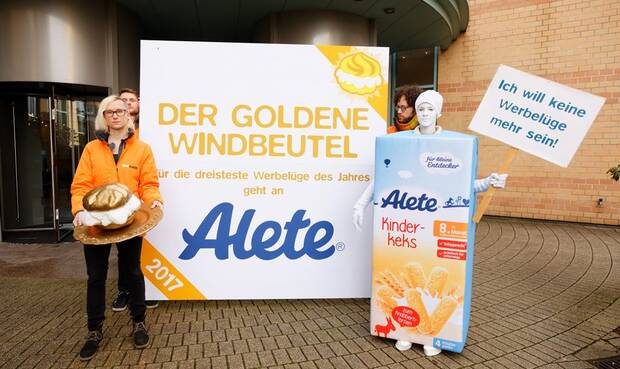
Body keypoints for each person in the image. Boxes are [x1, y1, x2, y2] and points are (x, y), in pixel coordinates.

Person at [355, 90, 507, 356]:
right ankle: (402, 331)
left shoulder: (454, 145)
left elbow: (465, 185)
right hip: (402, 229)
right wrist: (361, 204)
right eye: (420, 109)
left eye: (429, 109)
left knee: (432, 284)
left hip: (434, 229)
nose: (425, 113)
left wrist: (488, 182)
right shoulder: (398, 143)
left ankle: (434, 336)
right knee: (405, 281)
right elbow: (382, 177)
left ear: (439, 112)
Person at [71, 95, 163, 360]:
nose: (115, 115)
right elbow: (81, 186)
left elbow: (149, 184)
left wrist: (154, 201)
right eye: (109, 111)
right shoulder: (91, 149)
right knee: (96, 277)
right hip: (96, 224)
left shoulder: (142, 149)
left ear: (129, 115)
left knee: (133, 272)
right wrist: (78, 209)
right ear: (103, 117)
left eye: (120, 110)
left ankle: (139, 321)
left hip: (130, 220)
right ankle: (94, 330)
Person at [113, 88, 159, 311]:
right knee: (124, 252)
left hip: (143, 200)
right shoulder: (111, 134)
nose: (128, 103)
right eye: (124, 100)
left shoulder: (148, 129)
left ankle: (144, 290)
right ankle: (124, 291)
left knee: (142, 248)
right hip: (120, 204)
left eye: (132, 100)